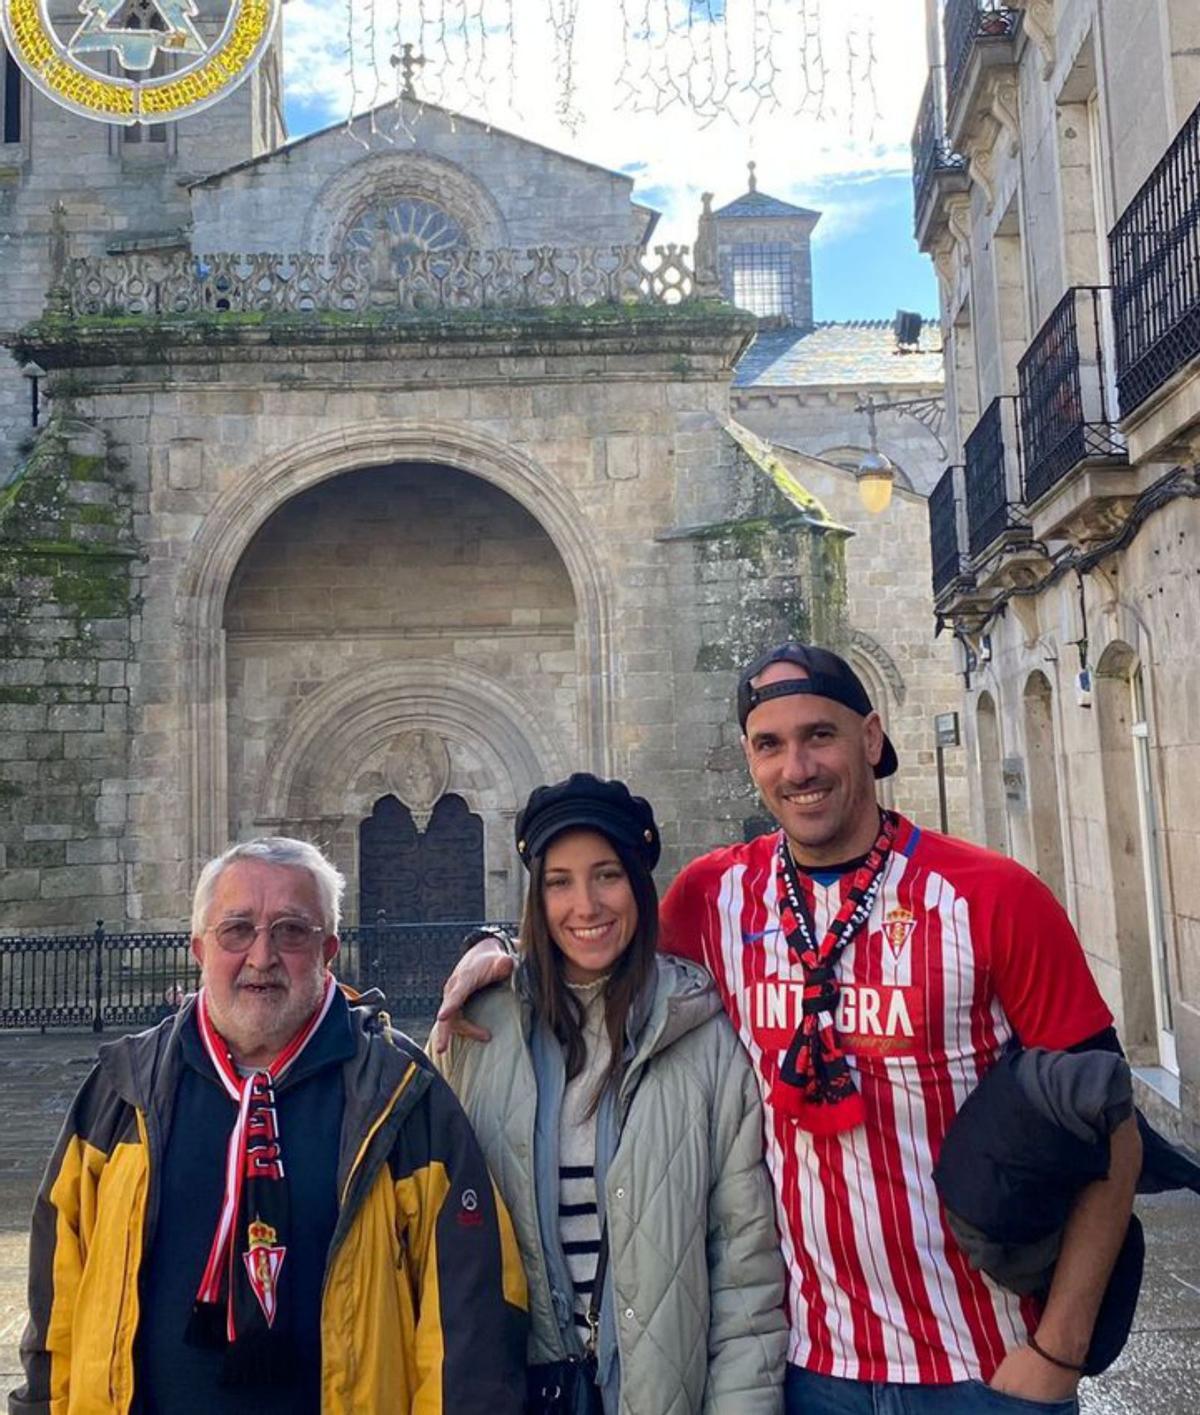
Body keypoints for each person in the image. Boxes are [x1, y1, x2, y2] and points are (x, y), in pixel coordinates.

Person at [435, 644, 1142, 1415]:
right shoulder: (715, 895)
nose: (797, 766)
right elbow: (598, 943)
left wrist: (1057, 1354)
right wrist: (499, 950)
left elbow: (1111, 1129)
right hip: (808, 1372)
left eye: (820, 735)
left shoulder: (991, 896)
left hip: (984, 1364)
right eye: (770, 744)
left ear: (870, 739)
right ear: (750, 757)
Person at [11, 836, 528, 1415]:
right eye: (236, 930)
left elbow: (470, 1321)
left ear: (329, 949)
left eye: (291, 930)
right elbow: (56, 1298)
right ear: (199, 949)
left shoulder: (403, 1096)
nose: (262, 956)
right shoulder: (121, 1089)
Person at [433, 773, 787, 1414]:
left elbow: (743, 1271)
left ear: (639, 886)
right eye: (558, 882)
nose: (585, 905)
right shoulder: (480, 1031)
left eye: (607, 875)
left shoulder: (703, 1038)